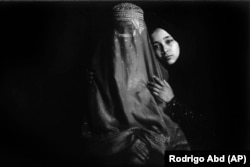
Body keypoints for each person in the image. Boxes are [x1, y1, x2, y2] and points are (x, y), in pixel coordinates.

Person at [82, 3, 190, 167]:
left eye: (135, 34)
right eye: (120, 34)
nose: (128, 40)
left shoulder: (158, 74)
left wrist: (172, 102)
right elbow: (90, 134)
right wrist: (126, 143)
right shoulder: (97, 77)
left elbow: (173, 131)